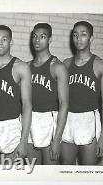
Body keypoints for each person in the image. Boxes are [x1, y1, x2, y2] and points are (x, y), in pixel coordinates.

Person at [62, 21, 103, 165]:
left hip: (89, 120)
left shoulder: (101, 65)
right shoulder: (65, 64)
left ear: (91, 38)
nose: (79, 38)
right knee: (66, 169)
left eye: (83, 34)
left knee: (88, 171)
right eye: (75, 35)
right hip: (68, 120)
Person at [0, 25, 32, 164]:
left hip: (11, 127)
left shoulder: (21, 67)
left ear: (11, 42)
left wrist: (24, 141)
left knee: (12, 173)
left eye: (4, 39)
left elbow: (27, 105)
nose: (0, 42)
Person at [27, 23, 69, 165]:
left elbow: (64, 104)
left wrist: (57, 139)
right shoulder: (26, 66)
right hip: (29, 120)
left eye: (42, 36)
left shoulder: (57, 66)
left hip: (49, 121)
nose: (37, 40)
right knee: (32, 170)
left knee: (50, 173)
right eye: (34, 36)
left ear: (50, 40)